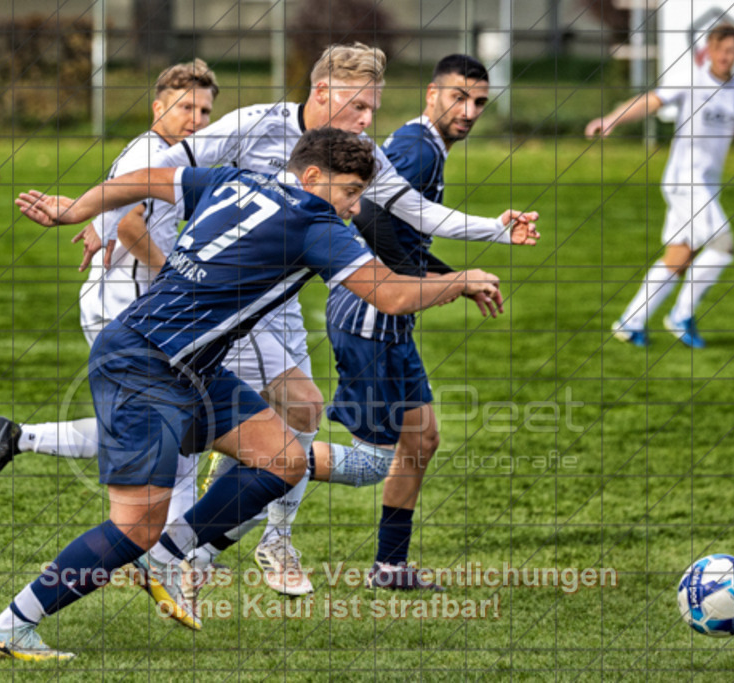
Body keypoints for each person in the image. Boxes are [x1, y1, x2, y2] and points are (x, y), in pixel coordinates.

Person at [0, 127, 506, 661]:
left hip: (189, 365)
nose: (353, 208)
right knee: (132, 527)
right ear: (312, 177)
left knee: (283, 461)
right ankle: (13, 623)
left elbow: (143, 180)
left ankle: (166, 552)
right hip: (144, 365)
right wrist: (459, 280)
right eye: (349, 192)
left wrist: (77, 211)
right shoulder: (313, 222)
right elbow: (391, 295)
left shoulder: (235, 180)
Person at [193, 54, 512, 593]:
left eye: (479, 101)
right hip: (363, 308)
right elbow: (374, 221)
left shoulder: (376, 150)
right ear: (433, 94)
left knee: (419, 435)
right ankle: (204, 534)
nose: (470, 110)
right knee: (343, 455)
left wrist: (491, 235)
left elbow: (411, 216)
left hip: (310, 303)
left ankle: (385, 564)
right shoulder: (410, 148)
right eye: (460, 97)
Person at [0, 59, 219, 503]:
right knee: (174, 425)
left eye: (204, 112)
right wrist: (175, 278)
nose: (196, 120)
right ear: (157, 108)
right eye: (186, 107)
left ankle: (18, 437)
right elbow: (130, 224)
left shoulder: (157, 151)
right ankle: (169, 549)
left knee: (147, 426)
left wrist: (99, 225)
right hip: (131, 307)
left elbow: (118, 214)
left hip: (120, 303)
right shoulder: (153, 154)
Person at [586, 22, 734, 348]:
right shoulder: (691, 80)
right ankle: (681, 315)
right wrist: (612, 117)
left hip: (707, 186)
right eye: (721, 49)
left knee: (678, 258)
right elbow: (650, 101)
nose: (726, 56)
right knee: (722, 248)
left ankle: (631, 322)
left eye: (732, 51)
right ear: (709, 50)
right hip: (685, 180)